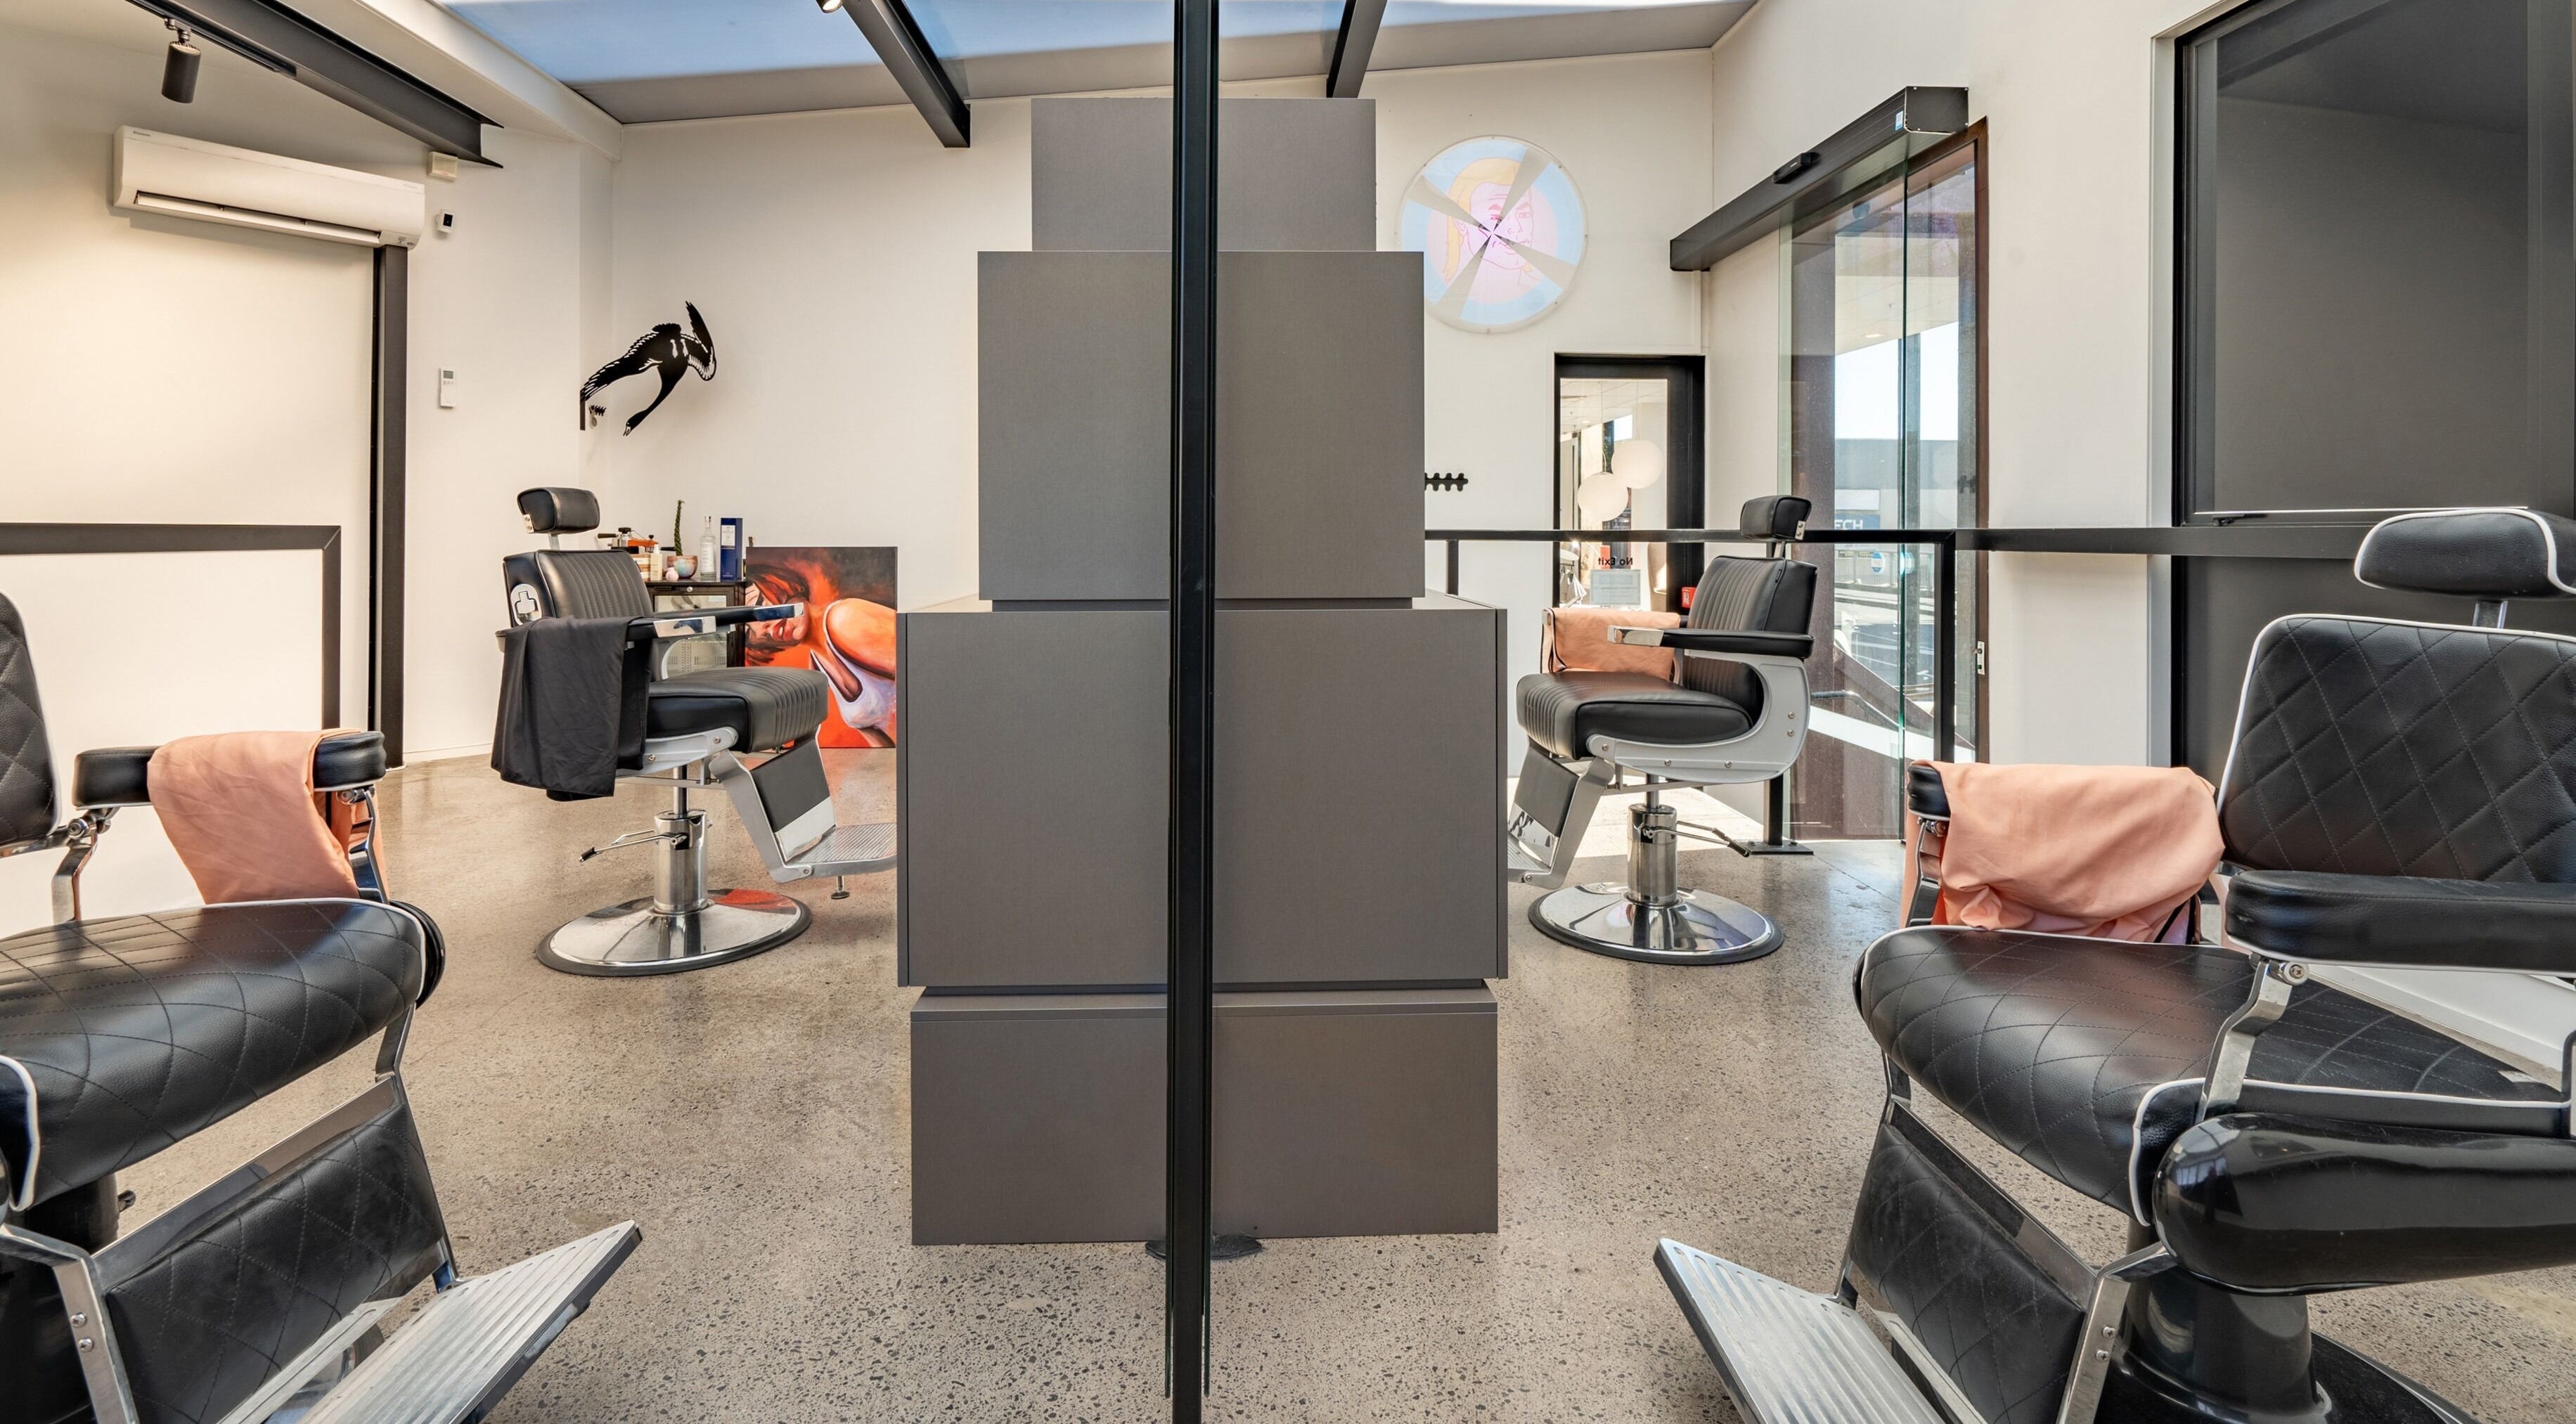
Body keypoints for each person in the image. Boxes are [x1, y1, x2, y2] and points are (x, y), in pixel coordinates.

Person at [742, 554, 896, 747]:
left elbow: (923, 678)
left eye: (760, 604)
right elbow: (878, 742)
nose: (762, 628)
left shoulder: (844, 620)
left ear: (781, 584)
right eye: (749, 632)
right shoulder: (817, 665)